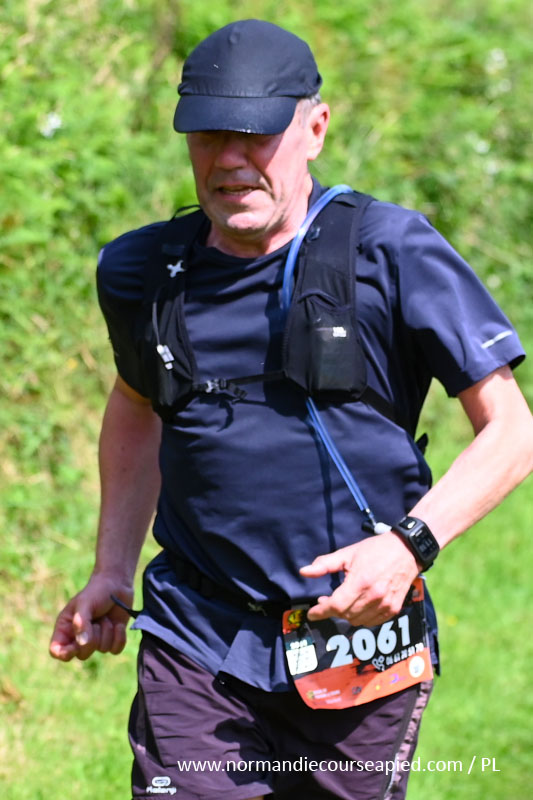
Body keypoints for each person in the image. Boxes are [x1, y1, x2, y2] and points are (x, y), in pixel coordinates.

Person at [50, 18, 533, 800]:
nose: (229, 159)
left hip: (355, 636)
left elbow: (510, 431)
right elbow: (137, 403)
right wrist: (111, 566)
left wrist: (408, 546)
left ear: (314, 129)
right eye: (209, 135)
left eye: (256, 135)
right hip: (194, 632)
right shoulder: (143, 271)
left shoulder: (392, 251)